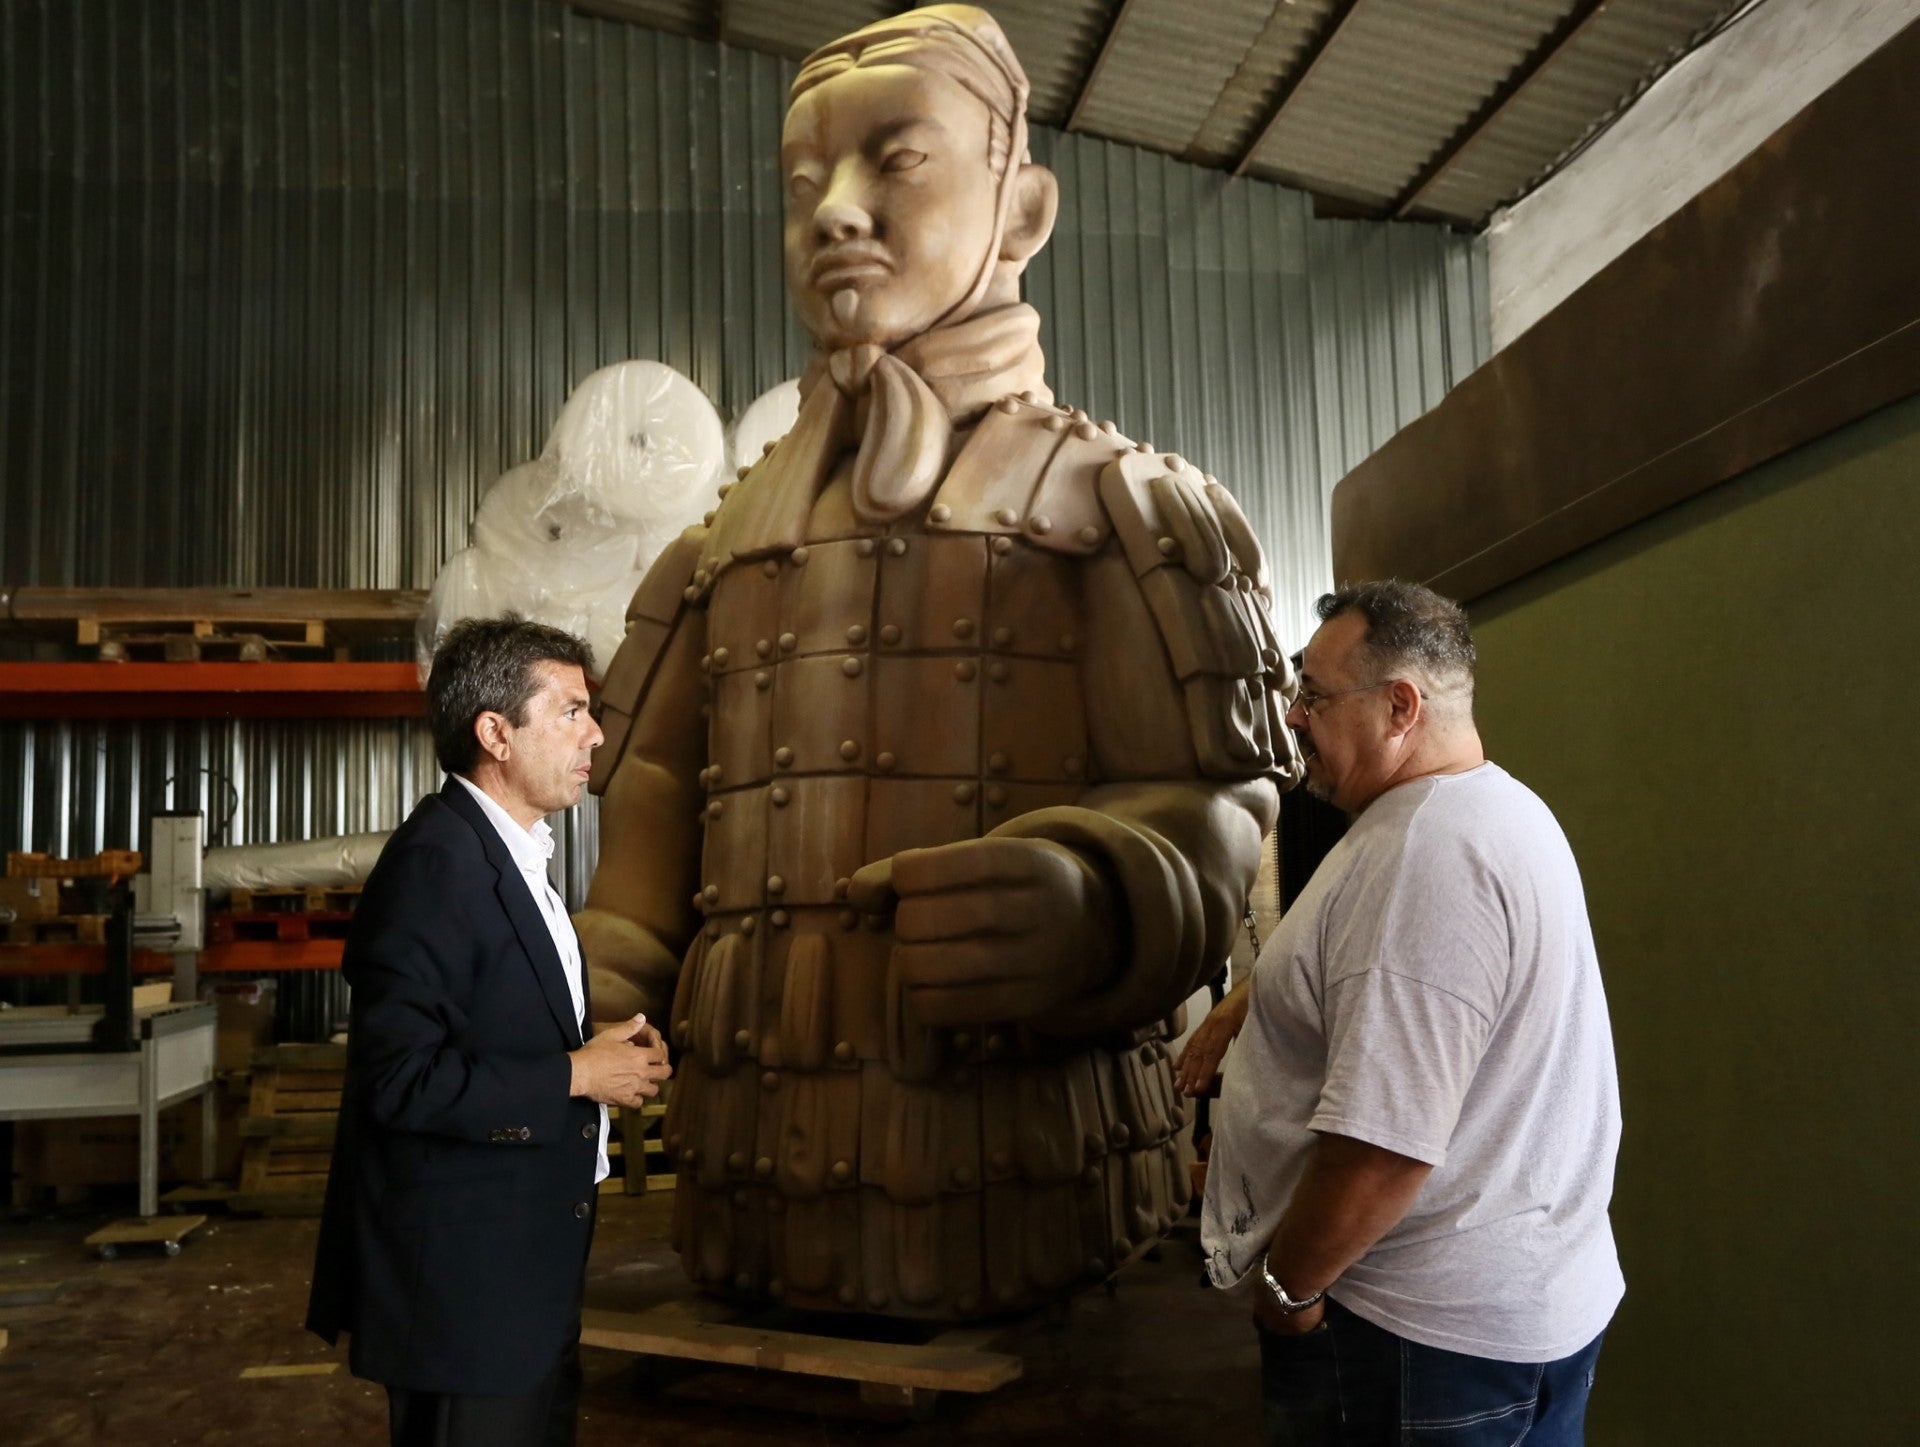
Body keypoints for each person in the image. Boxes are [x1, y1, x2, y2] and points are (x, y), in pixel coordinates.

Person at [571, 3, 1303, 1318]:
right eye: (804, 185)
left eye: (895, 161)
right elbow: (641, 866)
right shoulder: (713, 549)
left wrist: (1100, 894)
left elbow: (1223, 816)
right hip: (750, 1203)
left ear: (1022, 211)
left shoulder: (1122, 506)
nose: (836, 212)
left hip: (1027, 1195)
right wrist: (555, 990)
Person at [1201, 580, 1623, 1446]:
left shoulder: (1423, 857)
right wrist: (1250, 1003)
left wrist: (1289, 1295)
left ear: (1400, 705)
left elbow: (1384, 1147)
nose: (1293, 718)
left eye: (1313, 696)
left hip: (1421, 1337)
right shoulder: (1495, 808)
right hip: (1521, 1305)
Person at [307, 616, 672, 1447]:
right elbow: (400, 1080)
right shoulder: (437, 864)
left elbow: (487, 1020)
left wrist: (601, 1046)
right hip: (463, 1302)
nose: (597, 733)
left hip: (521, 1283)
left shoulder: (512, 855)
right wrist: (577, 1075)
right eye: (572, 710)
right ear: (495, 734)